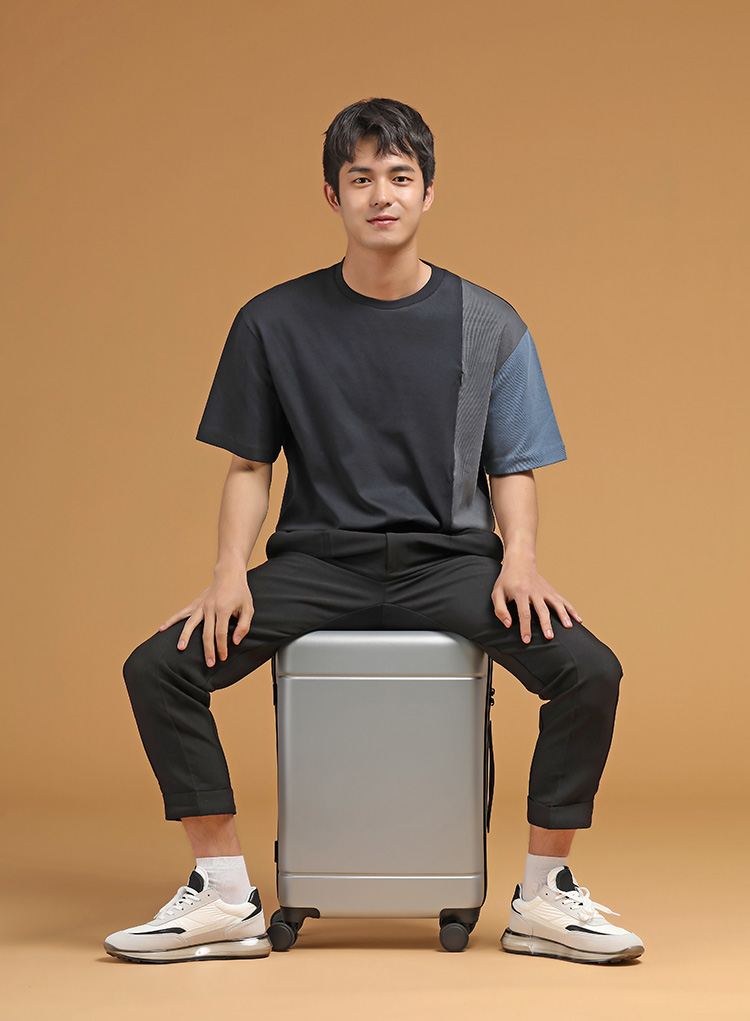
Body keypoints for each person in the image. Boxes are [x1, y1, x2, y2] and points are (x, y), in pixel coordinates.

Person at [104, 98, 644, 965]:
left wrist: (521, 560)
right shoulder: (272, 321)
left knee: (591, 670)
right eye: (361, 178)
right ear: (333, 196)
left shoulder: (490, 323)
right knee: (157, 668)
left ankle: (545, 896)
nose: (381, 195)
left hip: (450, 564)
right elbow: (249, 466)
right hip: (320, 563)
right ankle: (225, 892)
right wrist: (228, 571)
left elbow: (513, 466)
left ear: (429, 192)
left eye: (400, 176)